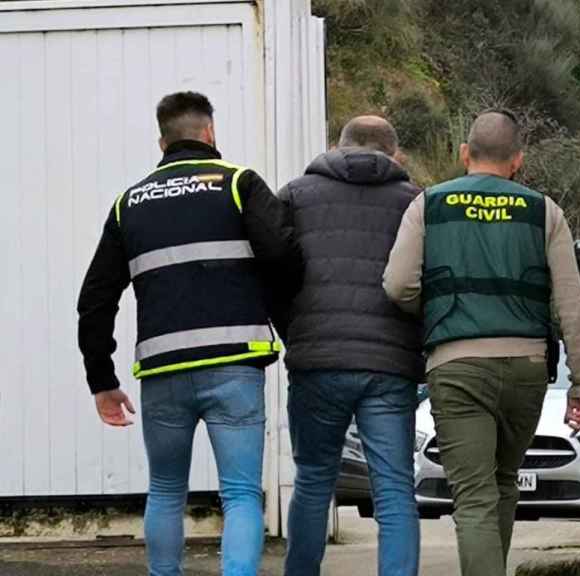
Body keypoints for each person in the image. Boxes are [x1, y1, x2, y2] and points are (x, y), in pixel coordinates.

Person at [77, 91, 303, 576]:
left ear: (162, 140)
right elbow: (284, 258)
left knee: (165, 491)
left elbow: (94, 299)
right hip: (234, 365)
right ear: (210, 133)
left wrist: (102, 380)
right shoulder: (240, 184)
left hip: (163, 374)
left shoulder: (129, 204)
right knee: (241, 493)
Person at [383, 110, 580, 576]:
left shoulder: (429, 204)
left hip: (458, 366)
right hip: (526, 367)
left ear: (464, 153)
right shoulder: (544, 211)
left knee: (474, 497)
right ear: (517, 160)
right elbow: (571, 302)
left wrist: (443, 310)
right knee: (502, 484)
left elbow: (398, 285)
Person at [278, 116, 423, 576]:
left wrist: (295, 332)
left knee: (315, 478)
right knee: (394, 487)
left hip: (316, 362)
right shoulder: (416, 202)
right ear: (395, 155)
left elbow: (272, 276)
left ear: (336, 147)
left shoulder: (296, 195)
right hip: (389, 365)